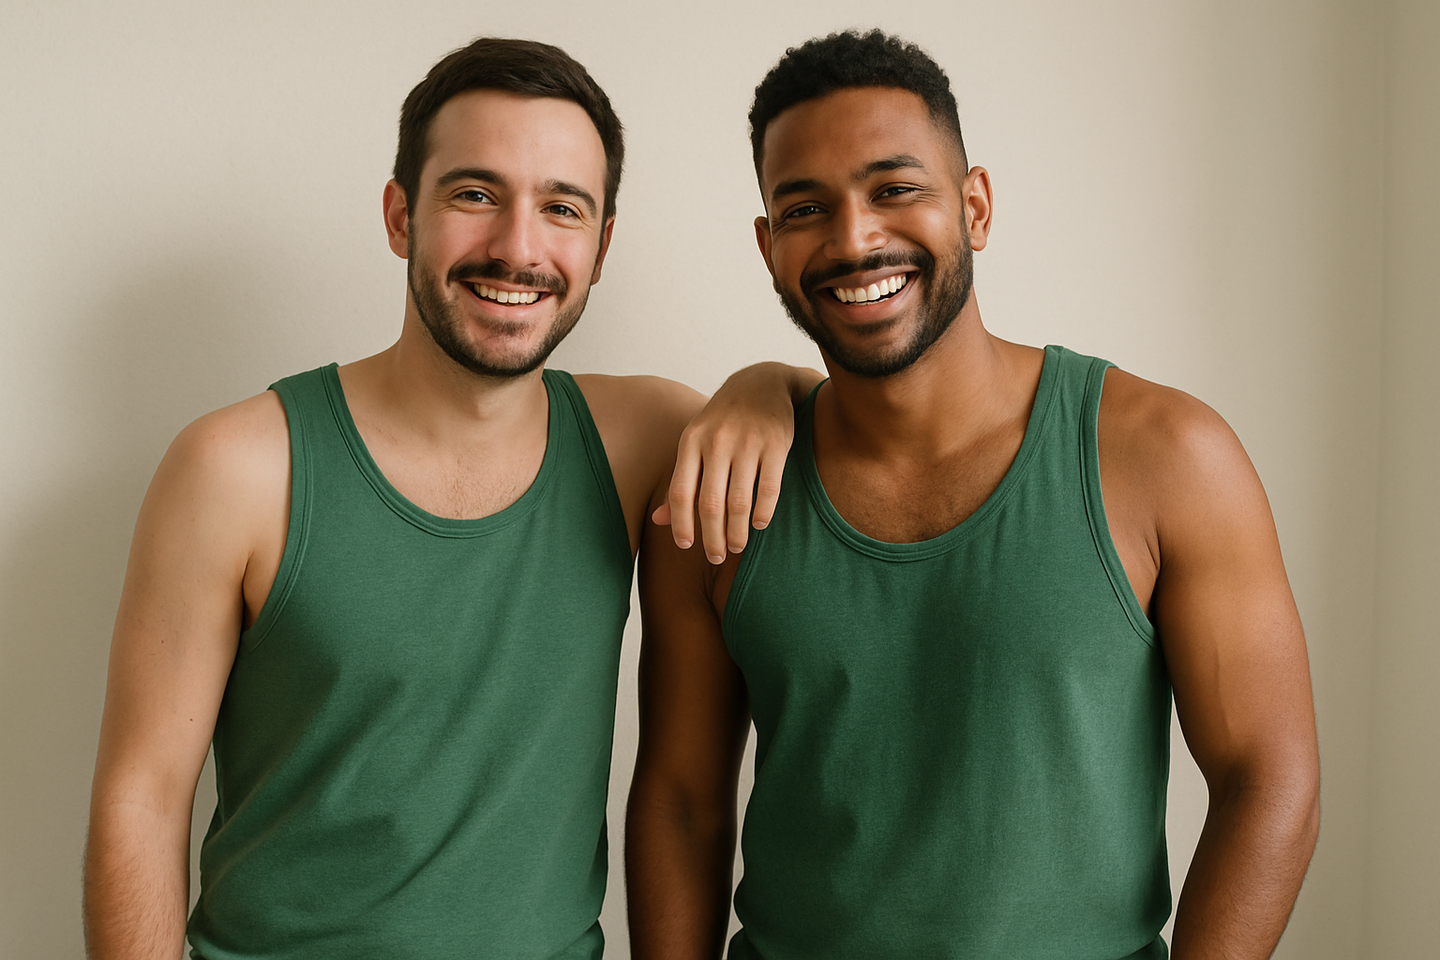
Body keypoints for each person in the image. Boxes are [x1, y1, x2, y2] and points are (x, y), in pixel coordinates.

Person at [83, 37, 812, 960]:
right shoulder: (238, 467)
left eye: (561, 208)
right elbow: (140, 800)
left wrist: (766, 380)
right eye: (475, 194)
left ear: (601, 245)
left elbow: (799, 415)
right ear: (400, 216)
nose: (518, 247)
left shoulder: (642, 442)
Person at [627, 29, 1321, 960]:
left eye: (895, 188)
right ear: (767, 244)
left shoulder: (1165, 455)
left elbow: (1269, 777)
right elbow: (681, 801)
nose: (854, 236)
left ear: (976, 205)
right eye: (804, 208)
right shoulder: (717, 498)